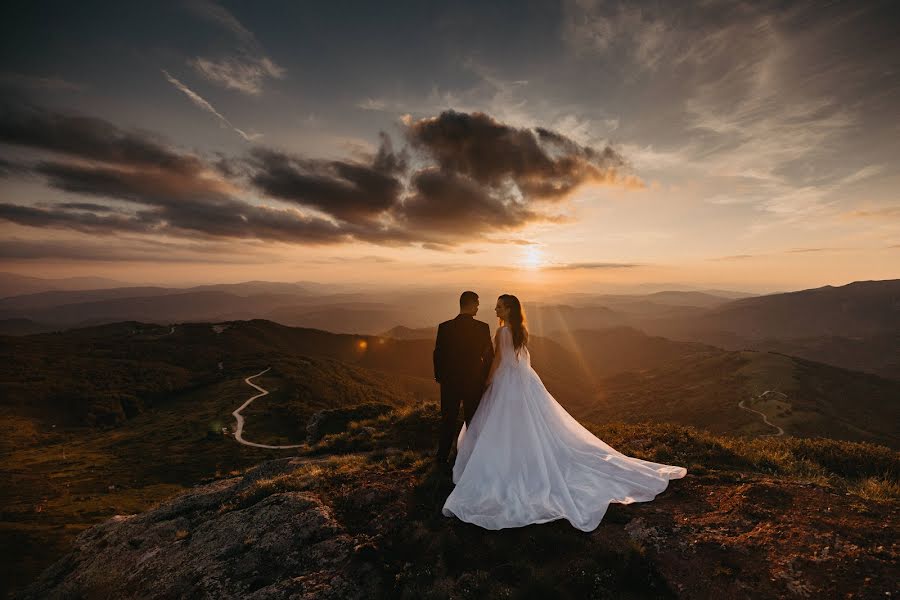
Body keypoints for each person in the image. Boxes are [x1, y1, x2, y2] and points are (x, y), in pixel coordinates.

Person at [441, 294, 687, 531]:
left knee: (504, 423)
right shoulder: (520, 331)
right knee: (527, 422)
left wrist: (487, 381)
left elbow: (497, 361)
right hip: (523, 381)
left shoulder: (501, 331)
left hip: (506, 381)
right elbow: (520, 359)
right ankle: (527, 452)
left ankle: (511, 457)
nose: (495, 310)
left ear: (508, 310)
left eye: (499, 307)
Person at [433, 290, 495, 467]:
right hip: (474, 383)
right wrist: (483, 378)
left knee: (447, 421)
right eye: (477, 303)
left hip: (449, 383)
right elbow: (489, 356)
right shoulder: (483, 327)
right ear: (470, 304)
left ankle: (441, 458)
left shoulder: (444, 327)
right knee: (473, 422)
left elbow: (438, 354)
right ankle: (473, 459)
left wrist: (440, 377)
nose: (478, 306)